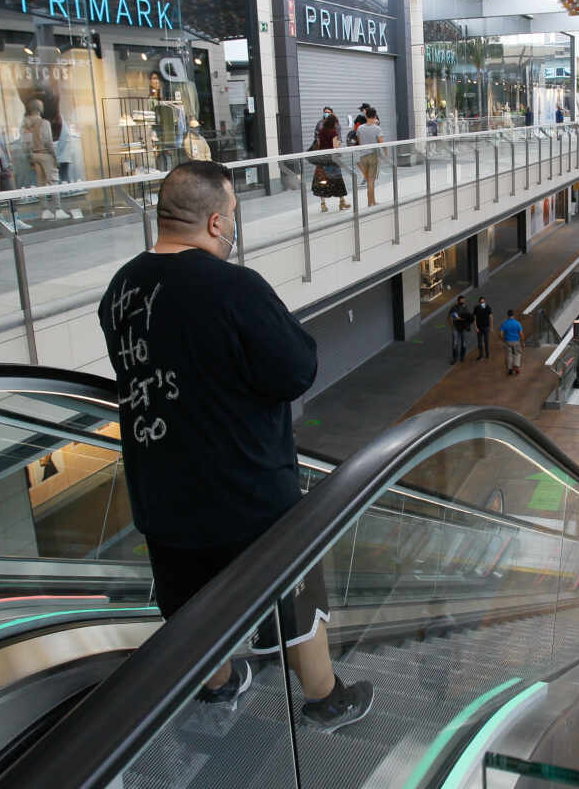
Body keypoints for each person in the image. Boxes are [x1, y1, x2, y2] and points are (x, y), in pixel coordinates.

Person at [96, 160, 371, 732]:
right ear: (218, 223)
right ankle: (325, 697)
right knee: (294, 592)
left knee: (191, 607)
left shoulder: (121, 288)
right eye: (235, 217)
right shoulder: (233, 286)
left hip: (160, 489)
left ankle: (219, 685)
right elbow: (296, 370)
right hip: (246, 491)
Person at [310, 113, 350, 213]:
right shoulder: (333, 133)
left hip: (322, 160)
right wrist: (339, 143)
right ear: (334, 123)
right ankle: (342, 202)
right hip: (332, 160)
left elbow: (319, 144)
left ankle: (323, 205)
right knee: (337, 181)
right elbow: (335, 146)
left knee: (322, 181)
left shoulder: (321, 132)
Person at [357, 107, 385, 207]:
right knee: (371, 180)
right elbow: (382, 143)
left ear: (366, 115)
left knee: (368, 179)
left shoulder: (360, 128)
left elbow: (359, 142)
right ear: (374, 116)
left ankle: (372, 201)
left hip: (362, 156)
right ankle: (371, 202)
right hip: (373, 155)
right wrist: (385, 153)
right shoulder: (377, 128)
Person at [448, 295, 472, 364]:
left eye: (464, 300)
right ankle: (455, 358)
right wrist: (451, 326)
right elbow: (449, 316)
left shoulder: (466, 308)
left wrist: (468, 325)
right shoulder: (454, 308)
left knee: (463, 344)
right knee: (455, 344)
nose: (463, 302)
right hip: (456, 328)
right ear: (458, 301)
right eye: (462, 301)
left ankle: (462, 357)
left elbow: (468, 317)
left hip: (463, 328)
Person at [500, 308, 523, 375]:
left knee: (509, 355)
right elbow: (521, 333)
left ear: (507, 315)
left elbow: (501, 334)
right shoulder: (517, 323)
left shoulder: (504, 323)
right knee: (517, 354)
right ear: (513, 315)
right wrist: (522, 341)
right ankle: (516, 366)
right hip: (516, 341)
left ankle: (510, 369)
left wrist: (503, 340)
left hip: (508, 341)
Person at [473, 295, 493, 361]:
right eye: (481, 302)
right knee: (479, 343)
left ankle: (487, 354)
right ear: (479, 302)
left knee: (486, 341)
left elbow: (491, 317)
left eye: (483, 302)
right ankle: (481, 355)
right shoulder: (476, 308)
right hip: (479, 328)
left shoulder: (488, 307)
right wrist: (475, 327)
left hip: (486, 327)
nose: (482, 303)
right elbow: (474, 318)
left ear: (485, 301)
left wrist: (491, 327)